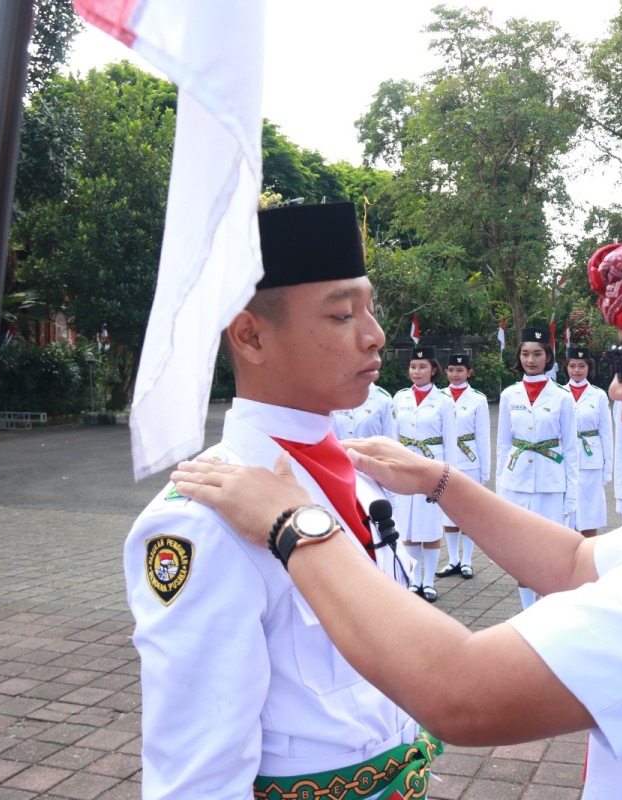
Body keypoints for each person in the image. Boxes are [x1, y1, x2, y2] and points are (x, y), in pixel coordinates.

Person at [171, 229, 622, 798]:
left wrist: (297, 526)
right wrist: (444, 483)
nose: (617, 388)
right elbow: (576, 565)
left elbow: (463, 693)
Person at [123, 203, 437, 799]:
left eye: (371, 309)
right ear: (250, 335)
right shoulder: (202, 520)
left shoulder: (363, 473)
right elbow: (196, 776)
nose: (375, 335)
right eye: (343, 314)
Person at [495, 328, 579, 609]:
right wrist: (500, 488)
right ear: (519, 357)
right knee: (521, 552)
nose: (531, 360)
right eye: (525, 353)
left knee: (549, 552)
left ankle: (548, 610)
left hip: (550, 484)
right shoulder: (509, 395)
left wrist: (571, 496)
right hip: (516, 483)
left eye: (537, 354)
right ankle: (526, 611)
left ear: (548, 357)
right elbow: (503, 445)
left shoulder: (563, 397)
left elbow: (570, 450)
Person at [393, 346, 457, 602]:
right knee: (408, 528)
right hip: (405, 468)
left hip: (432, 469)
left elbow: (450, 443)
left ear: (433, 370)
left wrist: (449, 478)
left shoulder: (444, 401)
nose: (416, 371)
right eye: (413, 367)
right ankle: (414, 580)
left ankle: (429, 581)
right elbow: (394, 437)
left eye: (422, 367)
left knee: (430, 528)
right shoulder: (399, 398)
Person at [435, 353, 491, 579]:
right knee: (447, 513)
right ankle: (453, 559)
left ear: (469, 372)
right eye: (451, 370)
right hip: (444, 461)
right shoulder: (438, 396)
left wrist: (485, 470)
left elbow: (483, 437)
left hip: (469, 461)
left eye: (460, 370)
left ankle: (467, 560)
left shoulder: (477, 399)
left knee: (468, 512)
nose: (455, 375)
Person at [564, 346, 612, 536]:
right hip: (566, 459)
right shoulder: (559, 393)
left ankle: (589, 551)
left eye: (581, 366)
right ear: (566, 367)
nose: (577, 370)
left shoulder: (598, 395)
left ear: (588, 368)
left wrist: (607, 469)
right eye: (573, 366)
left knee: (590, 510)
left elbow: (606, 434)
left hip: (591, 460)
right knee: (568, 510)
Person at [331, 383, 396, 442]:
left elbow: (391, 440)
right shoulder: (337, 397)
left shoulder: (383, 399)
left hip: (372, 454)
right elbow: (332, 437)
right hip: (342, 454)